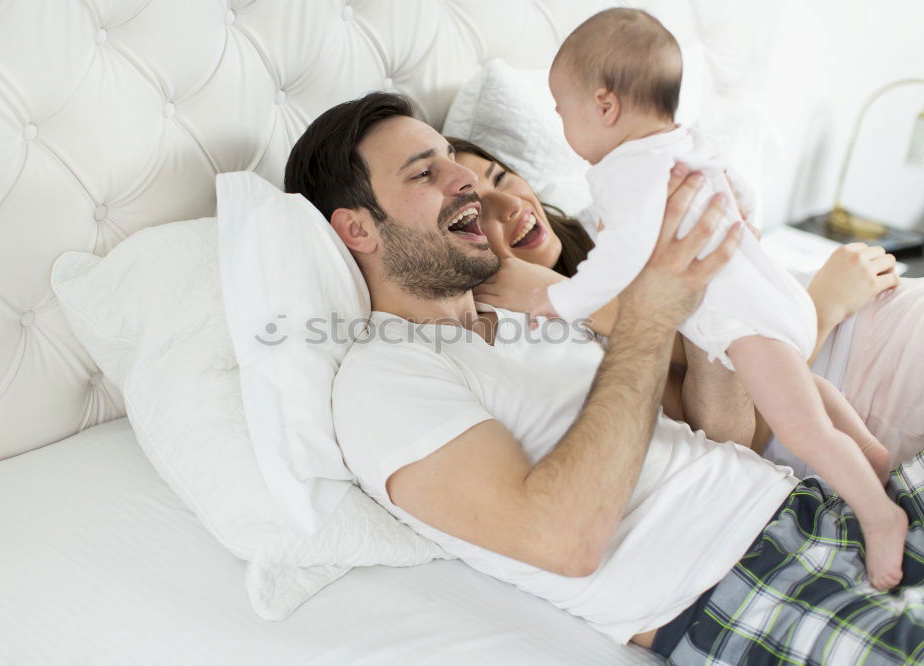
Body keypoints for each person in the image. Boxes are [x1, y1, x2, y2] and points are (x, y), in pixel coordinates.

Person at [283, 91, 924, 663]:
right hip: (746, 586)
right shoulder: (383, 378)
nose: (465, 181)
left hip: (816, 508)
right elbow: (562, 542)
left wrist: (699, 296)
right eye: (426, 172)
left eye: (451, 157)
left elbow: (723, 432)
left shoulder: (535, 313)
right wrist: (648, 314)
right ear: (357, 228)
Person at [500, 9, 907, 590]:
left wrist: (561, 300)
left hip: (742, 317)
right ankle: (870, 457)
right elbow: (736, 191)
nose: (562, 127)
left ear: (605, 106)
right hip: (774, 297)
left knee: (802, 428)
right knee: (810, 394)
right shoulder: (684, 144)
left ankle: (879, 514)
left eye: (562, 111)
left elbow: (619, 256)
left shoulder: (626, 172)